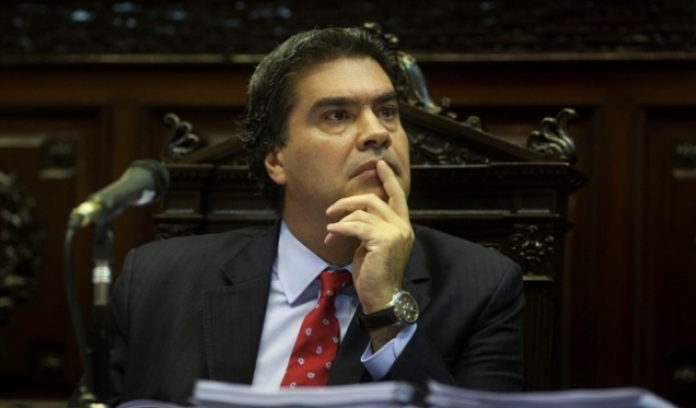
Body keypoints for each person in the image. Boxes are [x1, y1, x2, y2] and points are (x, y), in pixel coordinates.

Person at [106, 27, 524, 404]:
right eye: (337, 115)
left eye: (387, 111)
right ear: (276, 159)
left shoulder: (480, 287)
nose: (377, 133)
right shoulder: (158, 281)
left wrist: (385, 309)